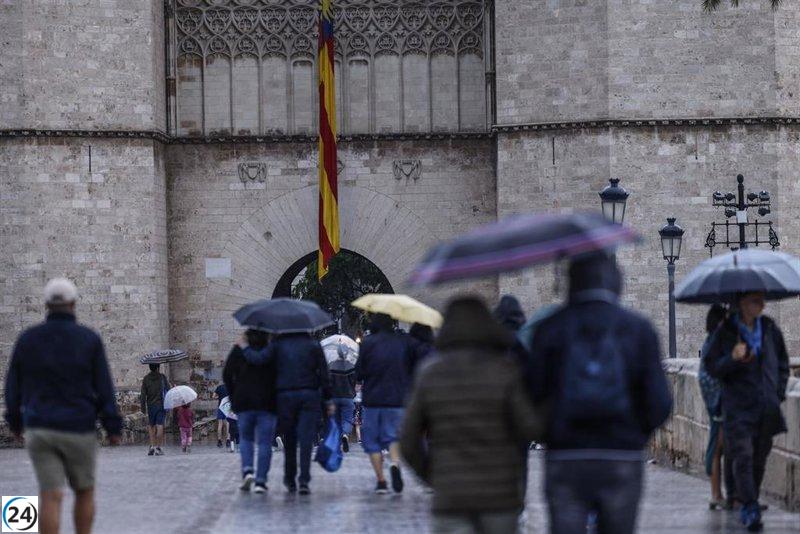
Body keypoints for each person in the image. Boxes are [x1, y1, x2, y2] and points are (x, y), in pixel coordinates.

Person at [528, 252, 673, 534]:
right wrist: (633, 436)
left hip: (566, 455)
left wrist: (552, 435)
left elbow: (531, 396)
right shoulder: (638, 329)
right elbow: (659, 403)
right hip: (621, 455)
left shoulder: (549, 329)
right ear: (616, 281)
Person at [401, 296, 544, 533]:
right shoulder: (505, 370)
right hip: (499, 497)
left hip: (451, 497)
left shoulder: (430, 373)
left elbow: (408, 439)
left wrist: (432, 476)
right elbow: (529, 427)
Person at [4, 278, 122, 534]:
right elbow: (103, 387)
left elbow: (13, 387)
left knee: (50, 495)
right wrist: (113, 426)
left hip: (40, 427)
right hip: (79, 427)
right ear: (73, 304)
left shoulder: (28, 339)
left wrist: (15, 423)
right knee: (84, 491)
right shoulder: (89, 339)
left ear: (46, 304)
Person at [705, 291, 789, 532]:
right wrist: (732, 358)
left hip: (766, 406)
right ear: (742, 304)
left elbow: (782, 363)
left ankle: (748, 496)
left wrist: (778, 391)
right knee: (742, 455)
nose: (761, 305)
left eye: (761, 300)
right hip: (739, 408)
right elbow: (711, 367)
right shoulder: (726, 332)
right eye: (755, 301)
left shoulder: (770, 328)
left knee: (759, 458)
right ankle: (749, 505)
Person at [355, 312, 415, 494]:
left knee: (372, 441)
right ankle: (395, 464)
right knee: (394, 436)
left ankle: (381, 481)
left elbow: (359, 373)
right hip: (397, 398)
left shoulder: (368, 343)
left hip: (373, 399)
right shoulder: (402, 343)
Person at [266, 332, 331, 495]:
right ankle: (304, 479)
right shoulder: (313, 345)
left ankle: (290, 478)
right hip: (308, 395)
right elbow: (324, 373)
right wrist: (328, 399)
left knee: (289, 438)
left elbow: (270, 374)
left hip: (285, 395)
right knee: (306, 438)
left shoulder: (277, 346)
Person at [223, 329, 278, 493]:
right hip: (267, 403)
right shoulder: (272, 350)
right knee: (265, 442)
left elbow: (227, 374)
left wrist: (233, 396)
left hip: (244, 401)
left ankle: (247, 470)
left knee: (245, 438)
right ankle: (260, 481)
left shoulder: (239, 349)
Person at [698, 304, 734, 510]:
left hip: (718, 401)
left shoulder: (712, 342)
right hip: (719, 403)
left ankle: (719, 494)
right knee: (718, 446)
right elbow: (711, 374)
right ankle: (716, 493)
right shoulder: (715, 343)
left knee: (719, 446)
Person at [329, 345, 357, 453]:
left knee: (336, 420)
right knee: (347, 419)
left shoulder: (331, 366)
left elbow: (328, 382)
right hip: (348, 397)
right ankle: (345, 434)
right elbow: (354, 381)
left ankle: (337, 442)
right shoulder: (350, 366)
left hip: (334, 397)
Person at [140, 363, 170, 456]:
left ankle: (152, 446)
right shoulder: (162, 377)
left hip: (150, 406)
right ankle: (158, 447)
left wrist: (143, 408)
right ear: (157, 367)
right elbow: (168, 390)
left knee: (151, 426)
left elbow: (143, 394)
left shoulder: (146, 378)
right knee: (160, 425)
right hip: (161, 405)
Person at [214, 382, 229, 448]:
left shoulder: (219, 387)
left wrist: (219, 396)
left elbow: (213, 396)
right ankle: (228, 440)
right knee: (227, 425)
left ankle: (219, 441)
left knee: (220, 425)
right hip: (228, 407)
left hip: (221, 407)